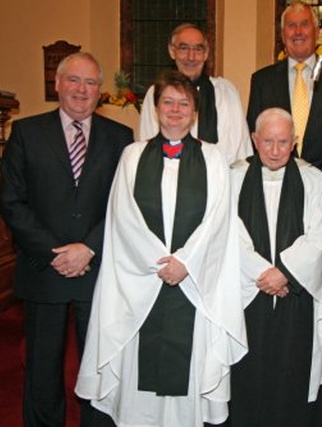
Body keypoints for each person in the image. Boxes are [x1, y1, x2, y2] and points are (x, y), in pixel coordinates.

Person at [75, 70, 247, 426]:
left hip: (193, 284)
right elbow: (122, 218)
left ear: (194, 112)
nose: (175, 109)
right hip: (144, 284)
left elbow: (220, 218)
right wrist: (160, 264)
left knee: (190, 370)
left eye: (184, 103)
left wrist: (185, 262)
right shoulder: (133, 156)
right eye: (167, 101)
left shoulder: (214, 159)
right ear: (155, 108)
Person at [0, 52, 133, 427]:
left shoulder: (120, 138)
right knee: (42, 370)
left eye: (91, 83)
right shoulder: (26, 132)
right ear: (57, 84)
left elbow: (124, 205)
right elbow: (12, 202)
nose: (81, 90)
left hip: (98, 271)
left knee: (100, 369)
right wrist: (55, 252)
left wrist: (89, 247)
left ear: (100, 92)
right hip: (44, 269)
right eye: (74, 80)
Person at [229, 107, 322, 426]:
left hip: (295, 297)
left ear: (294, 142)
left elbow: (320, 235)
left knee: (293, 371)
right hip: (247, 295)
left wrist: (284, 272)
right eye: (268, 142)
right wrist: (263, 272)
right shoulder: (232, 177)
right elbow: (225, 230)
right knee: (247, 374)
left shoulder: (311, 179)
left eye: (283, 142)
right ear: (254, 140)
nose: (275, 151)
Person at [246, 0, 322, 170]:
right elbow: (254, 136)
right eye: (291, 26)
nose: (298, 32)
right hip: (278, 182)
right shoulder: (262, 81)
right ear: (283, 35)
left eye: (304, 24)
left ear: (317, 32)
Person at [139, 23, 252, 164]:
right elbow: (149, 145)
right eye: (184, 48)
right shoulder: (157, 93)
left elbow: (241, 150)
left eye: (198, 49)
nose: (191, 57)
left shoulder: (227, 92)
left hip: (221, 177)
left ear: (206, 53)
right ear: (172, 51)